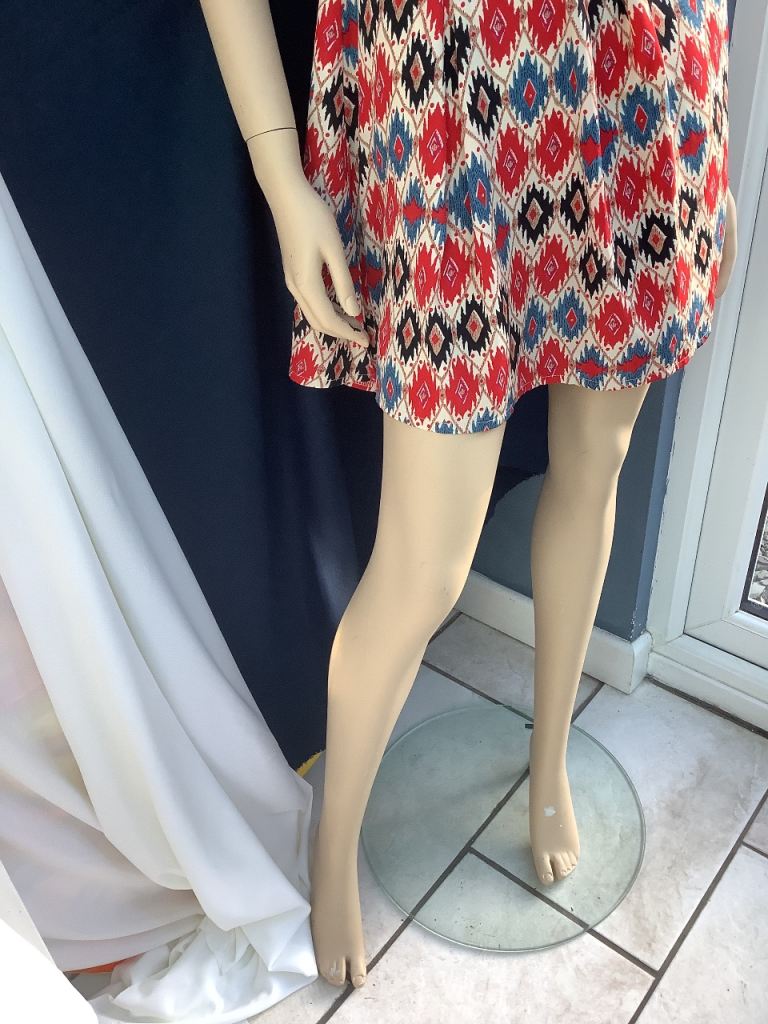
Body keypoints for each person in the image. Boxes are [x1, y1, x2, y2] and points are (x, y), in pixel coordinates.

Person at [199, 0, 738, 992]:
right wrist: (282, 179)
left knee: (596, 466)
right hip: (448, 110)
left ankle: (550, 758)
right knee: (423, 572)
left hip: (640, 85)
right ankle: (334, 843)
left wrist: (709, 112)